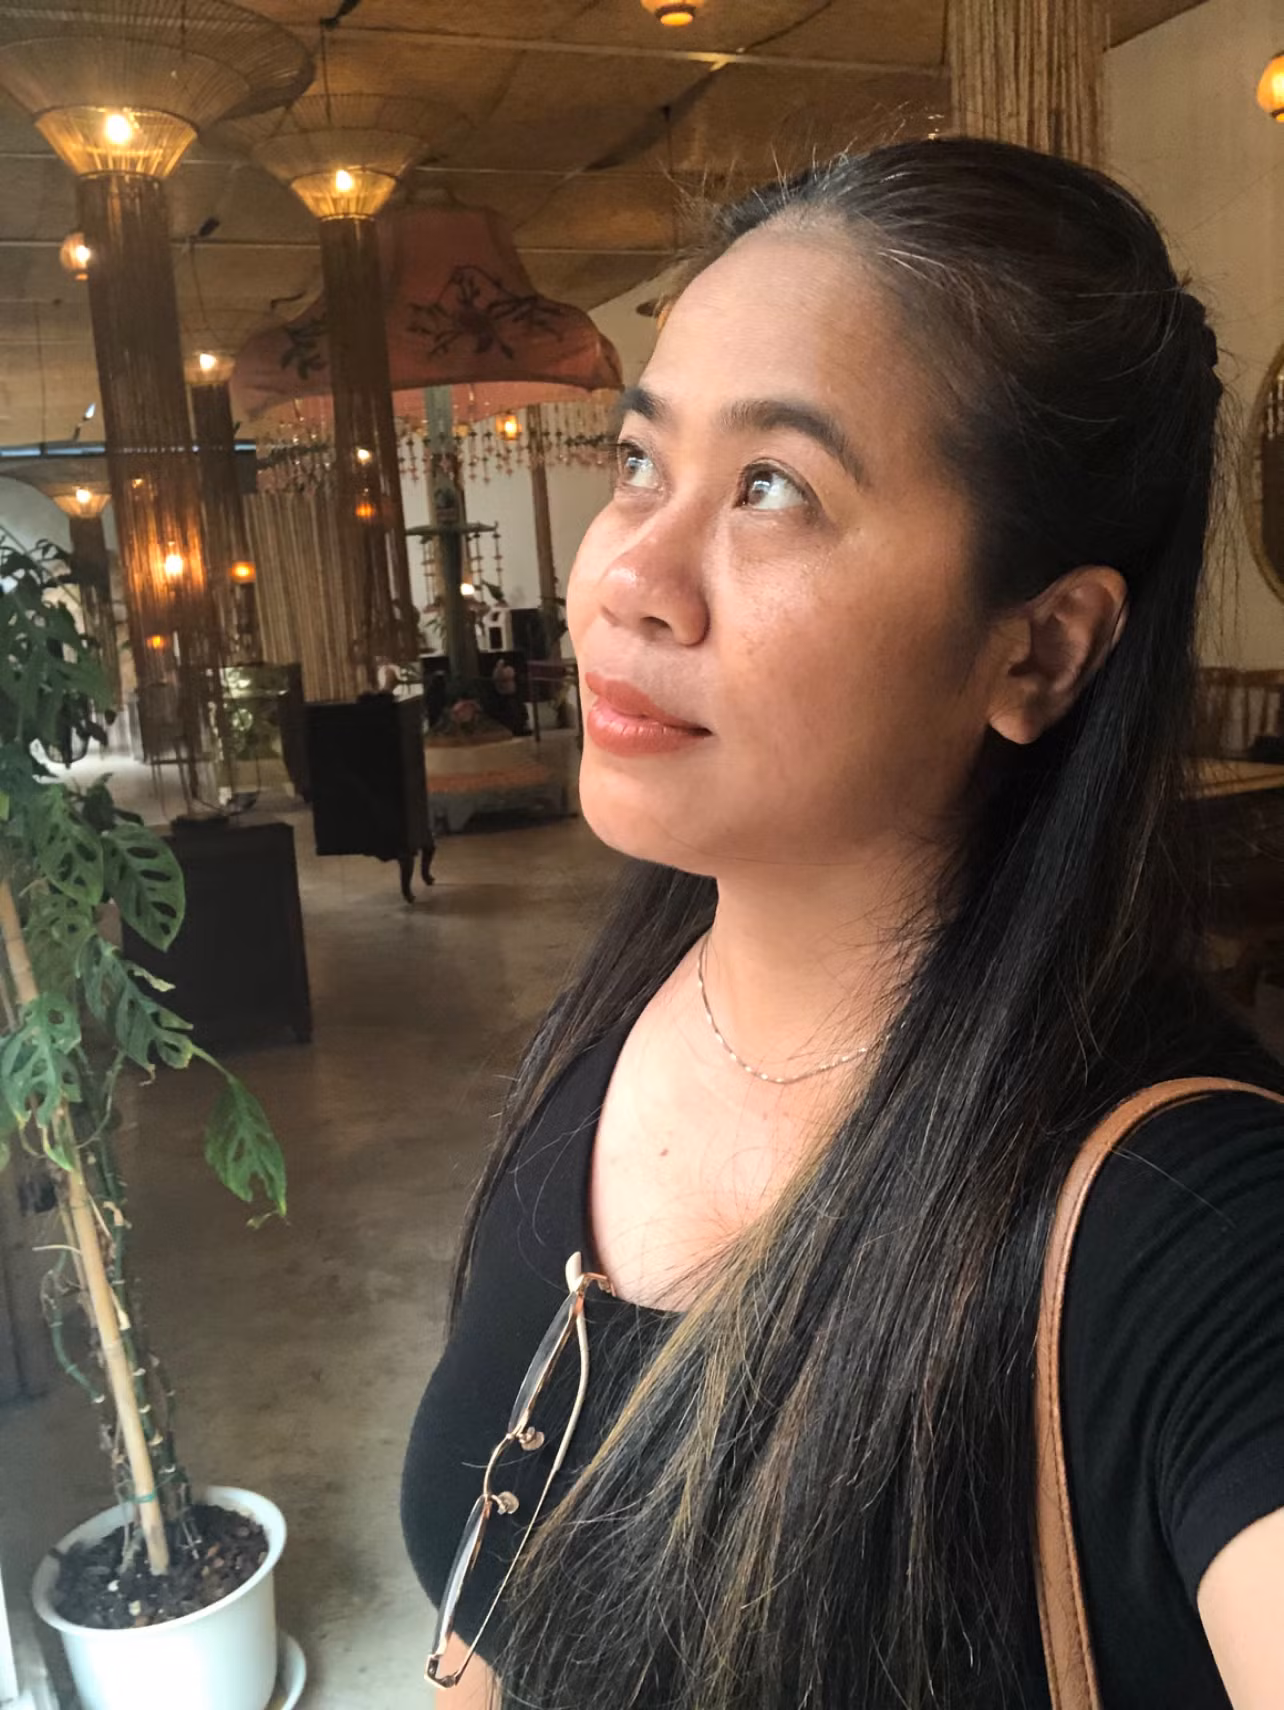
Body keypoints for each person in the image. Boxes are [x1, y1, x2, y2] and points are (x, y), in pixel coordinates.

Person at [402, 137, 1284, 1710]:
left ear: (1040, 649)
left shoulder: (1192, 1234)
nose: (629, 576)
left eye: (773, 488)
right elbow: (491, 1600)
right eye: (639, 462)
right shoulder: (611, 1026)